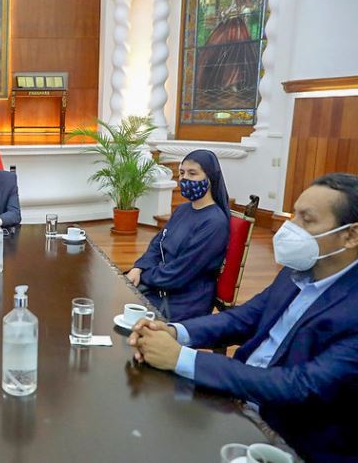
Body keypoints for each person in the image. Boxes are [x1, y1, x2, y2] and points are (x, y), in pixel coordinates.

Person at [128, 173, 358, 463]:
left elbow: (299, 386)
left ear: (351, 235)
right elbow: (244, 318)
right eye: (293, 215)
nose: (290, 229)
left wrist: (181, 358)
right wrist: (175, 332)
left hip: (288, 438)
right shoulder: (297, 271)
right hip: (237, 399)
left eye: (307, 220)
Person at [126, 149, 230, 321]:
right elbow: (158, 244)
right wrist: (139, 268)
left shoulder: (215, 223)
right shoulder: (182, 209)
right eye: (182, 173)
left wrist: (143, 276)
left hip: (184, 300)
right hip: (159, 283)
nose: (184, 178)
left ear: (210, 178)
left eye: (192, 173)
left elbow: (181, 272)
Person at [196, 0, 257, 94]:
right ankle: (224, 82)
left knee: (239, 52)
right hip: (228, 23)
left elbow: (251, 6)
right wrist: (229, 8)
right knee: (220, 49)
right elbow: (222, 13)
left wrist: (244, 8)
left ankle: (236, 82)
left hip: (239, 23)